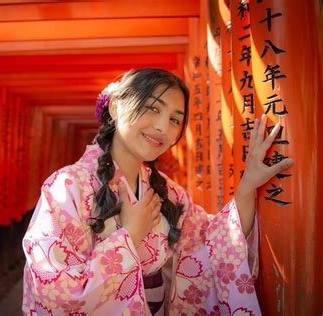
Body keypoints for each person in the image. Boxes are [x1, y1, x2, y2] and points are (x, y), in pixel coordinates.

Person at [21, 68, 293, 315]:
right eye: (152, 108)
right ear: (115, 107)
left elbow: (212, 245)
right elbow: (54, 291)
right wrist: (129, 237)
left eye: (175, 119)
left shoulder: (167, 193)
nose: (163, 127)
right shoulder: (67, 187)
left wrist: (247, 188)